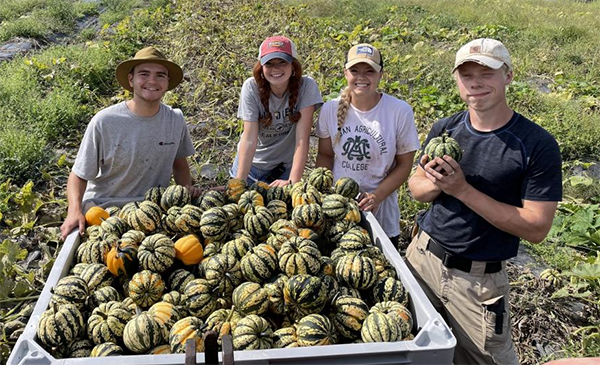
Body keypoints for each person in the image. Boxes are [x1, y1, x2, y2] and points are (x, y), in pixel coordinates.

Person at [406, 38, 562, 365]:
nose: (475, 82)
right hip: (422, 260)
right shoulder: (445, 128)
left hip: (478, 284)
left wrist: (463, 190)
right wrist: (438, 184)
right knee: (414, 353)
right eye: (466, 75)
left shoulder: (536, 144)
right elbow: (416, 188)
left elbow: (536, 227)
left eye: (486, 73)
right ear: (457, 80)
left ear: (508, 76)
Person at [60, 46, 199, 240]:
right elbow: (78, 175)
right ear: (131, 79)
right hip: (104, 212)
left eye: (160, 75)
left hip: (152, 211)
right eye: (144, 74)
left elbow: (180, 165)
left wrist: (184, 192)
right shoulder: (105, 121)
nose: (152, 81)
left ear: (167, 82)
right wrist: (74, 211)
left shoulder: (175, 120)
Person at [315, 43, 420, 247]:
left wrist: (376, 196)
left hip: (381, 213)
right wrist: (324, 192)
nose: (361, 77)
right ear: (345, 73)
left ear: (381, 74)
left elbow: (404, 165)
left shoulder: (399, 111)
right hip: (338, 211)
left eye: (369, 71)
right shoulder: (330, 110)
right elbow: (325, 156)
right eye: (355, 70)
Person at [230, 35, 323, 187]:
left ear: (293, 65)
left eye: (282, 62)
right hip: (251, 169)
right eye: (269, 64)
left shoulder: (306, 86)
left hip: (284, 171)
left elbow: (302, 138)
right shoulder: (251, 88)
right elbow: (249, 139)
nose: (276, 69)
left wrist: (293, 182)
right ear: (261, 67)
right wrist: (239, 183)